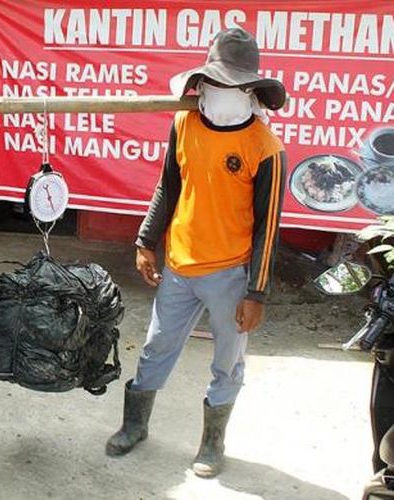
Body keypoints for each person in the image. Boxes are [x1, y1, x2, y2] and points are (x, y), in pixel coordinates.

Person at [105, 28, 287, 478]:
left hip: (231, 273)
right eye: (215, 83)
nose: (221, 93)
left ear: (250, 91)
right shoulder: (184, 123)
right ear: (201, 84)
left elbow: (268, 228)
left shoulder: (266, 148)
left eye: (232, 86)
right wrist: (146, 242)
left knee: (228, 361)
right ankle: (134, 424)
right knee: (155, 348)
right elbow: (167, 185)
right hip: (180, 265)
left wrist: (257, 293)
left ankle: (212, 441)